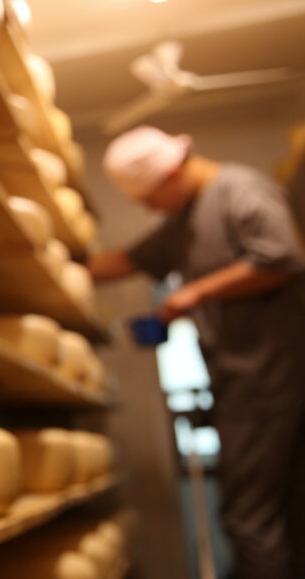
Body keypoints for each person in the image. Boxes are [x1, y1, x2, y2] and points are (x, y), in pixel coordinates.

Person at [87, 126, 305, 579]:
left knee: (248, 517)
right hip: (241, 381)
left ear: (171, 172)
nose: (147, 207)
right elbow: (125, 261)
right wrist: (51, 261)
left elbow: (282, 255)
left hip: (267, 378)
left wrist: (194, 293)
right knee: (272, 512)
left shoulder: (238, 190)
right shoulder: (183, 222)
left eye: (148, 196)